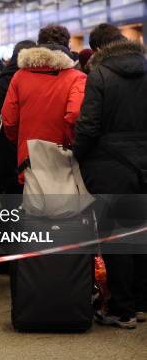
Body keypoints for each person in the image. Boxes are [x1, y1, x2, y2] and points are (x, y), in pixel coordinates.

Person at [74, 23, 147, 329]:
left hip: (109, 167)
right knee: (141, 234)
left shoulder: (100, 74)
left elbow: (89, 125)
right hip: (143, 165)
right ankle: (142, 303)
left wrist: (76, 153)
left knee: (115, 238)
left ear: (100, 48)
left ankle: (122, 309)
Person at [1, 24, 86, 184]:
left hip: (29, 158)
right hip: (64, 157)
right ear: (67, 46)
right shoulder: (77, 77)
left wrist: (21, 141)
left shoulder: (19, 76)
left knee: (34, 204)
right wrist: (68, 143)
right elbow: (75, 115)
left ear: (39, 45)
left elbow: (9, 119)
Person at [0, 40, 36, 194]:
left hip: (10, 142)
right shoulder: (41, 77)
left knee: (9, 187)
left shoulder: (7, 77)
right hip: (35, 142)